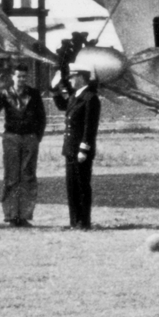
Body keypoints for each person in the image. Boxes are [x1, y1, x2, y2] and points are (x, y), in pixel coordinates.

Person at [0, 64, 47, 226]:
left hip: (29, 138)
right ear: (13, 77)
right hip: (11, 137)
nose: (22, 79)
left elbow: (41, 117)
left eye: (24, 76)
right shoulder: (5, 93)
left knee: (28, 176)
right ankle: (11, 215)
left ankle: (24, 215)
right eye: (18, 76)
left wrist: (36, 136)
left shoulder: (33, 94)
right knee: (11, 175)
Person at [55, 64, 100, 229]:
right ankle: (74, 221)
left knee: (81, 185)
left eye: (73, 77)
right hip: (70, 148)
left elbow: (90, 127)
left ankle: (84, 221)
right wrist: (55, 89)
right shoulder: (75, 96)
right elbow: (62, 105)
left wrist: (84, 148)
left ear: (81, 77)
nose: (70, 80)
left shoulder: (90, 98)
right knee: (71, 185)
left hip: (80, 149)